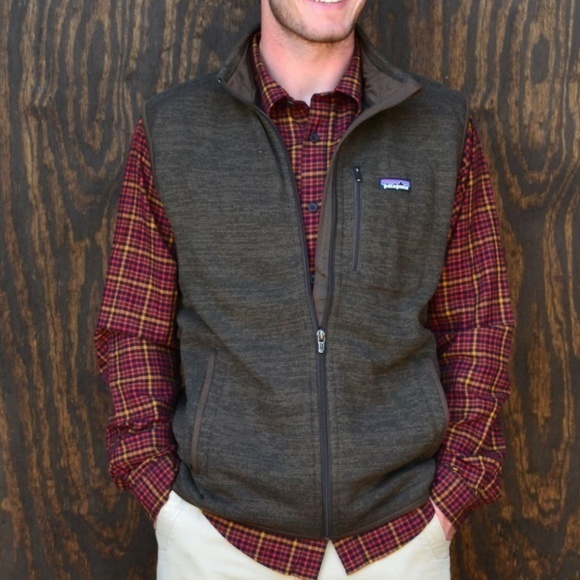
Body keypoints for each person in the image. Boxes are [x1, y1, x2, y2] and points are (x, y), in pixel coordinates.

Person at [95, 0, 514, 578]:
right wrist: (161, 495)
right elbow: (132, 327)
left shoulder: (439, 127)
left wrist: (454, 495)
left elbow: (479, 321)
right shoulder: (174, 129)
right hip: (215, 543)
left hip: (400, 541)